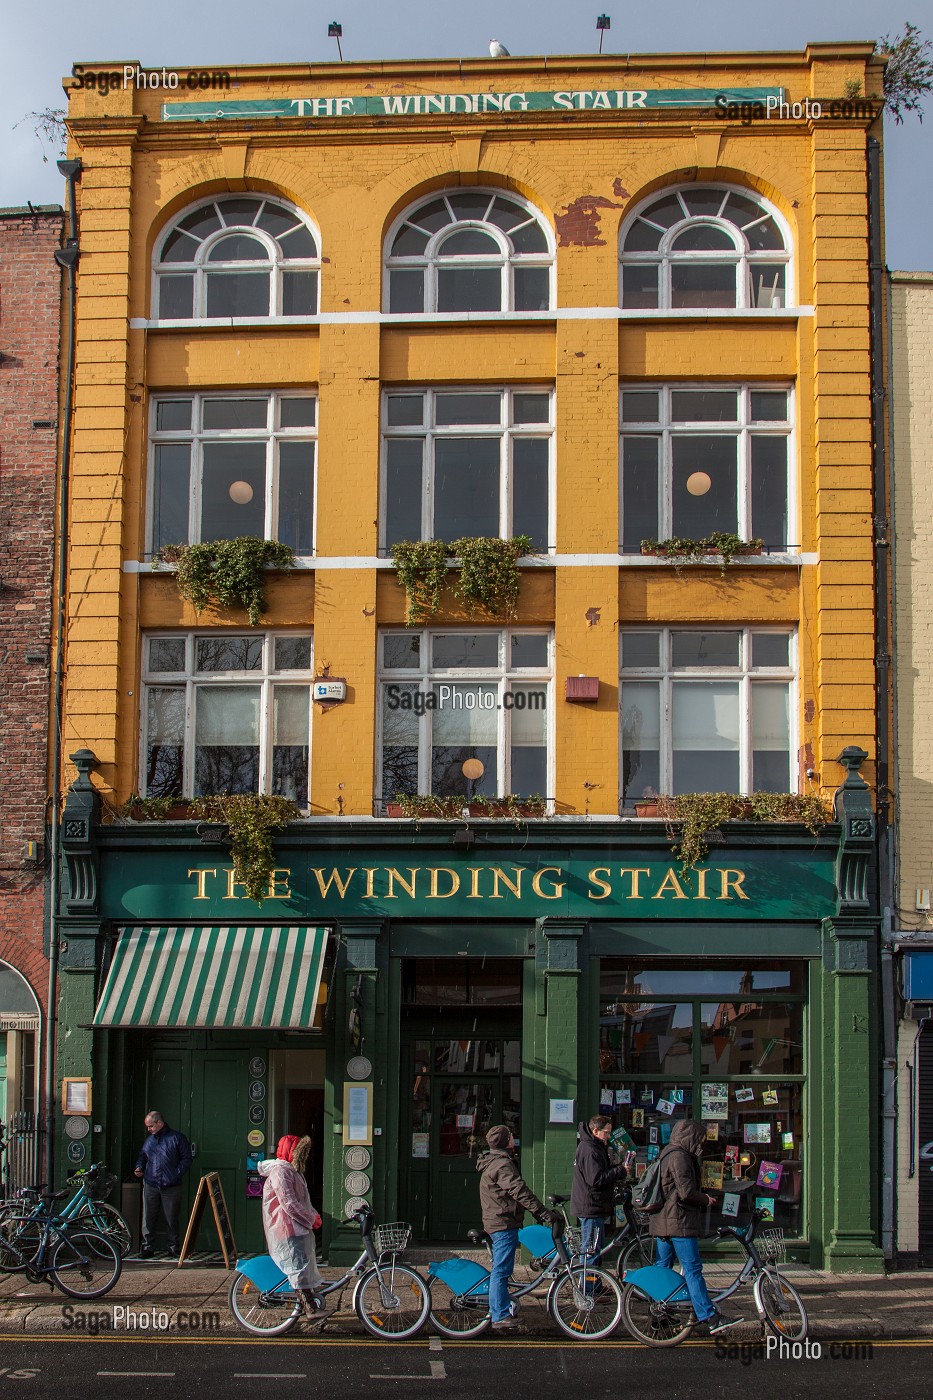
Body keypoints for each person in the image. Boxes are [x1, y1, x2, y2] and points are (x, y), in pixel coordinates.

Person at [648, 1119, 741, 1334]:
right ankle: (709, 1316)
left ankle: (659, 1315)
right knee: (692, 1270)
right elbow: (686, 1192)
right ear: (689, 1136)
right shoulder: (680, 1157)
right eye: (699, 1139)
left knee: (663, 1268)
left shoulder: (667, 1153)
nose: (701, 1144)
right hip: (679, 1222)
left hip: (663, 1222)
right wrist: (705, 1199)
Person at [477, 1125, 558, 1333]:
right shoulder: (502, 1165)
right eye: (511, 1136)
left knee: (502, 1270)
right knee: (501, 1271)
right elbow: (519, 1191)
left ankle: (501, 1310)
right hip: (502, 1223)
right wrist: (541, 1212)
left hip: (500, 1221)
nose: (514, 1138)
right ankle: (500, 1315)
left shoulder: (496, 1161)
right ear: (506, 1141)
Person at [259, 1134, 325, 1315]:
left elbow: (300, 1201)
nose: (303, 1157)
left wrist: (312, 1215)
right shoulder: (281, 1172)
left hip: (295, 1227)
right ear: (291, 1152)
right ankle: (310, 1309)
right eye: (299, 1152)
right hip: (287, 1228)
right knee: (297, 1269)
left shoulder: (290, 1171)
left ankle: (310, 1302)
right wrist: (311, 1218)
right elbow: (289, 1203)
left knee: (301, 1268)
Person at [134, 1109, 193, 1258]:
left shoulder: (177, 1138)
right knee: (148, 1217)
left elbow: (187, 1159)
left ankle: (172, 1247)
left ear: (159, 1123)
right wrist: (139, 1166)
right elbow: (143, 1156)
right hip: (151, 1183)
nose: (149, 1129)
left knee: (171, 1217)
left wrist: (176, 1174)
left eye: (151, 1126)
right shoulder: (149, 1140)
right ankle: (148, 1247)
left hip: (171, 1186)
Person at [571, 1114, 627, 1260]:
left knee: (594, 1249)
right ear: (595, 1131)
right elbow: (595, 1179)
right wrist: (620, 1171)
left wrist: (618, 1168)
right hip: (591, 1206)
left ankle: (593, 1282)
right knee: (590, 1251)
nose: (608, 1136)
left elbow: (600, 1172)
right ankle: (587, 1282)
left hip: (594, 1206)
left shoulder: (594, 1146)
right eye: (606, 1132)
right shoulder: (590, 1149)